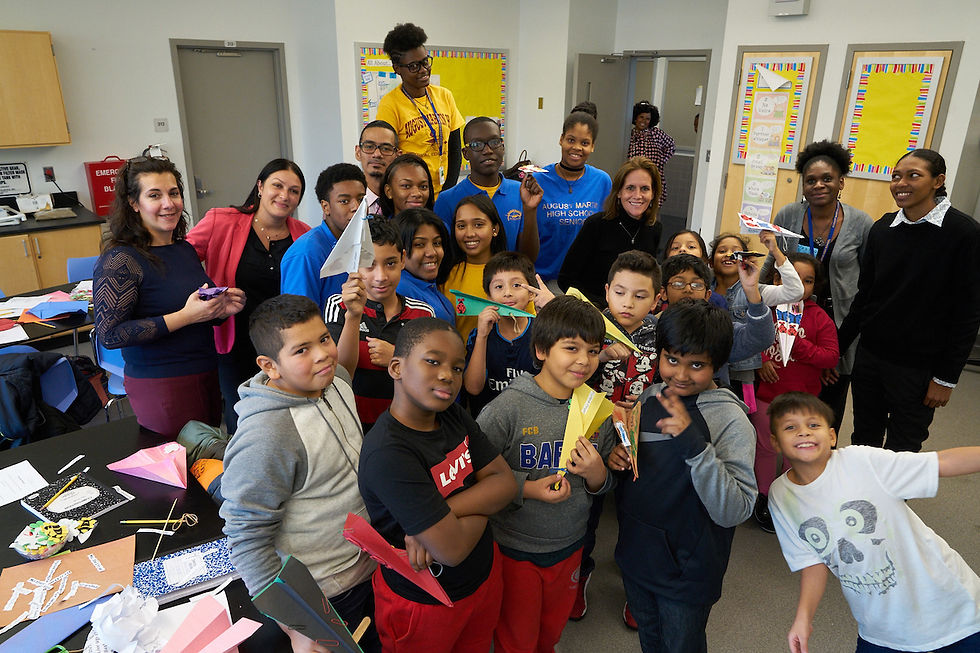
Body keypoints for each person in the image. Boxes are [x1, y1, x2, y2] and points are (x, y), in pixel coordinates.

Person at [220, 294, 380, 653]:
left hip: (369, 566)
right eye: (301, 350)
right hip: (327, 592)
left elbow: (341, 365)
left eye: (324, 339)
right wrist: (295, 624)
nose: (322, 353)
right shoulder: (268, 436)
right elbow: (246, 537)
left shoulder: (335, 381)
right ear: (270, 366)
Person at [766, 392, 980, 653]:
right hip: (881, 628)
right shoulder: (781, 495)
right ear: (775, 442)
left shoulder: (861, 461)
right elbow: (812, 561)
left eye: (813, 425)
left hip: (951, 610)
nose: (803, 433)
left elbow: (941, 463)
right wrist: (803, 618)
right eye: (791, 427)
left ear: (832, 436)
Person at [357, 317, 517, 652]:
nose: (448, 375)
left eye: (458, 368)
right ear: (397, 368)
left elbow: (506, 484)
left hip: (483, 580)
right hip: (425, 602)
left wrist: (443, 512)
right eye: (433, 361)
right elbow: (453, 549)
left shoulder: (452, 415)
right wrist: (485, 499)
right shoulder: (389, 453)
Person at [607, 299, 757, 653]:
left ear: (717, 366)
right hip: (637, 555)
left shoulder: (730, 420)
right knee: (651, 640)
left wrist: (695, 447)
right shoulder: (650, 397)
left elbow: (736, 509)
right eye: (671, 360)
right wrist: (619, 458)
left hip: (688, 571)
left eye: (697, 365)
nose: (681, 374)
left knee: (681, 646)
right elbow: (641, 469)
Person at [477, 296, 617, 653]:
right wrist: (528, 488)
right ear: (540, 349)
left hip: (570, 544)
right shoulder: (507, 409)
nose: (584, 360)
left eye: (593, 350)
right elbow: (476, 478)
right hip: (515, 549)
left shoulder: (594, 407)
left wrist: (598, 472)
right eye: (571, 348)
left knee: (551, 632)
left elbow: (602, 484)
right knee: (516, 638)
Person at [836, 149, 980, 453]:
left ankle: (893, 501)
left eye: (914, 175)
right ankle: (863, 500)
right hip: (872, 358)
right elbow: (866, 298)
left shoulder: (963, 233)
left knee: (904, 446)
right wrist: (836, 348)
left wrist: (946, 378)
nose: (901, 183)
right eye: (896, 176)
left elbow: (968, 313)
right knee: (864, 438)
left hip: (920, 367)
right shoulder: (883, 228)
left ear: (938, 181)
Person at [93, 156, 245, 437]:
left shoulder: (183, 249)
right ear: (134, 203)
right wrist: (185, 316)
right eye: (155, 195)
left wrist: (219, 310)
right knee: (179, 471)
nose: (168, 203)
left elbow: (191, 310)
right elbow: (110, 334)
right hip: (162, 384)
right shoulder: (121, 260)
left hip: (206, 374)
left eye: (173, 193)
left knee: (206, 467)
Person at [186, 158, 310, 433]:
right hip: (235, 340)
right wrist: (210, 293)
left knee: (282, 417)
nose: (284, 195)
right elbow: (183, 261)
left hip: (282, 345)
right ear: (260, 186)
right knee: (241, 417)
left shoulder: (303, 234)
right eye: (277, 186)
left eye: (294, 191)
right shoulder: (222, 220)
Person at [761, 140, 873, 432]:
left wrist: (837, 349)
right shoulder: (788, 215)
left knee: (825, 408)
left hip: (839, 326)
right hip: (789, 320)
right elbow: (770, 264)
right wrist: (751, 298)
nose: (818, 185)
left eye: (827, 178)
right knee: (782, 397)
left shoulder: (861, 223)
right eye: (810, 180)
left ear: (841, 182)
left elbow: (868, 284)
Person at [574, 250, 661, 627]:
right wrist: (600, 355)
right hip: (592, 433)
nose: (628, 303)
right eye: (621, 292)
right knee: (585, 514)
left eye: (640, 296)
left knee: (637, 515)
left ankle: (636, 586)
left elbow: (673, 378)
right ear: (607, 292)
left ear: (657, 299)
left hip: (642, 437)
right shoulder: (588, 328)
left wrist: (646, 398)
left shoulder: (663, 333)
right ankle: (578, 573)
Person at [754, 253, 839, 533]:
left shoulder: (819, 318)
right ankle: (764, 496)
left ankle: (787, 496)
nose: (800, 286)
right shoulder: (765, 309)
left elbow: (830, 357)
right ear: (776, 279)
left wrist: (797, 345)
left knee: (795, 451)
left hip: (802, 403)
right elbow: (749, 343)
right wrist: (761, 361)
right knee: (765, 448)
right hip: (767, 395)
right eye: (790, 278)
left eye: (808, 281)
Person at [325, 218, 435, 433]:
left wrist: (397, 359)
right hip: (352, 428)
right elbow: (339, 375)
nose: (381, 276)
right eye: (369, 265)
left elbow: (432, 373)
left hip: (406, 428)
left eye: (391, 263)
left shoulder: (423, 313)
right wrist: (353, 315)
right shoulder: (338, 306)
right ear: (354, 264)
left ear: (403, 259)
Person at [558, 157, 663, 307]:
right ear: (619, 192)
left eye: (645, 188)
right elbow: (565, 279)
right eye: (630, 188)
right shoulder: (596, 225)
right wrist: (600, 307)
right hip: (592, 312)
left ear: (653, 194)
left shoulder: (655, 229)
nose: (638, 195)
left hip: (633, 312)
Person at [710, 232, 802, 398]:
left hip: (741, 374)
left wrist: (776, 252)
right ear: (710, 261)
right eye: (722, 250)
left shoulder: (756, 291)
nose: (729, 254)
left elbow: (795, 292)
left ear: (746, 259)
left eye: (735, 251)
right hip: (708, 370)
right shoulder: (702, 290)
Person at [433, 116, 543, 254]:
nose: (488, 150)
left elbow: (528, 256)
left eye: (494, 142)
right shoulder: (447, 200)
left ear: (502, 148)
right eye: (477, 145)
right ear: (466, 153)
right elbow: (444, 255)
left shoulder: (520, 193)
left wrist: (530, 210)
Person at [376, 22, 463, 197]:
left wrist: (448, 191)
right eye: (414, 66)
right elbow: (386, 158)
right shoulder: (390, 104)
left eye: (425, 62)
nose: (423, 70)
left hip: (444, 191)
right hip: (411, 196)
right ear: (397, 68)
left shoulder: (444, 95)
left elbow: (455, 149)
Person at [463, 252, 550, 417]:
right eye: (498, 287)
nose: (507, 293)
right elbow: (473, 388)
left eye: (516, 285)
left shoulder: (543, 333)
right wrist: (482, 336)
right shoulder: (479, 334)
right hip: (488, 422)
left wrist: (553, 309)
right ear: (489, 297)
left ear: (532, 293)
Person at [530, 110, 612, 284]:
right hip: (543, 278)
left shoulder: (602, 181)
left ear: (592, 146)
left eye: (585, 142)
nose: (576, 147)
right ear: (561, 139)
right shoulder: (538, 180)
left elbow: (606, 232)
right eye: (571, 140)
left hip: (584, 279)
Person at [280, 163, 367, 310]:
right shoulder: (306, 253)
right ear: (325, 207)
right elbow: (299, 319)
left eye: (361, 199)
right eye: (344, 201)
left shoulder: (367, 240)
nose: (356, 207)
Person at [441, 194, 508, 342]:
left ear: (494, 229)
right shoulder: (446, 274)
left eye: (478, 224)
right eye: (461, 226)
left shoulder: (513, 272)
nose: (469, 233)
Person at [391, 208, 455, 323]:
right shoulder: (400, 288)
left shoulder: (426, 284)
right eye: (419, 244)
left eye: (437, 243)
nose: (432, 252)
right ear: (400, 251)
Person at [662, 229, 726, 309]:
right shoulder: (655, 295)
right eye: (675, 248)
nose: (682, 249)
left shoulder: (716, 301)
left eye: (691, 247)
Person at [627, 102, 675, 207]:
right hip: (634, 177)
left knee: (653, 211)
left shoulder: (656, 133)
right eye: (641, 117)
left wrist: (662, 160)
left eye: (647, 118)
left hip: (653, 176)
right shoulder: (629, 135)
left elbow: (671, 145)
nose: (644, 121)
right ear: (635, 118)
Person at [355, 120, 400, 217]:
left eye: (385, 148)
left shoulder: (404, 201)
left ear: (397, 155)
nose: (377, 154)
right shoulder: (351, 204)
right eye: (369, 147)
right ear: (358, 152)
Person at [377, 153, 435, 218]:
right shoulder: (378, 227)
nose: (417, 194)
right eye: (406, 186)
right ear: (389, 191)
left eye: (423, 187)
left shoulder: (440, 227)